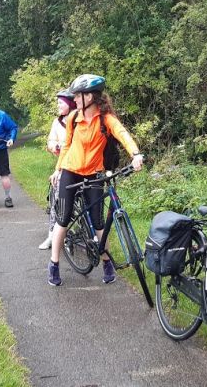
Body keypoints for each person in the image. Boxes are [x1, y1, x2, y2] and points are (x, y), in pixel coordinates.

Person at [47, 74, 144, 286]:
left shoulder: (105, 119)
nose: (74, 99)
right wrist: (58, 170)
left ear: (89, 97)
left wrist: (135, 154)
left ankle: (107, 262)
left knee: (99, 222)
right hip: (70, 171)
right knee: (63, 219)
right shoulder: (73, 118)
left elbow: (123, 134)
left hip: (94, 173)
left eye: (77, 96)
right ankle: (54, 263)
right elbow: (66, 146)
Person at [39, 89, 77, 250]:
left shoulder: (79, 120)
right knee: (56, 199)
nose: (58, 106)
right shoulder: (57, 122)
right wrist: (54, 146)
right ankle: (51, 235)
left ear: (69, 104)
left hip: (80, 165)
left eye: (61, 103)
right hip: (63, 166)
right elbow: (51, 141)